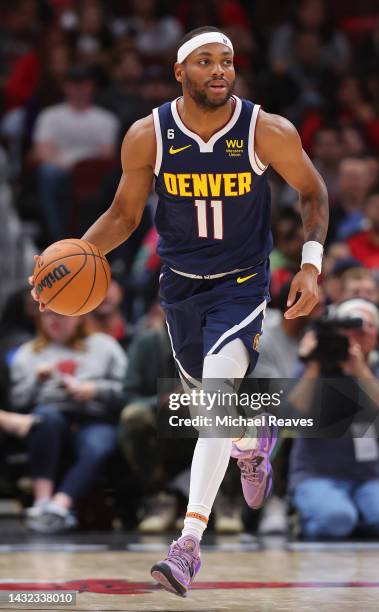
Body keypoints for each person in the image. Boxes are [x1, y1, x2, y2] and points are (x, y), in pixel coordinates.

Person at [30, 26, 329, 596]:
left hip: (241, 287)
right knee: (215, 415)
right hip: (180, 289)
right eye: (206, 62)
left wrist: (310, 264)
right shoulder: (150, 135)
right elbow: (123, 214)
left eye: (228, 61)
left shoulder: (267, 130)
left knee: (214, 400)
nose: (220, 71)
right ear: (180, 72)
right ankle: (252, 439)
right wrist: (67, 267)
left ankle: (188, 544)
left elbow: (313, 192)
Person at [288, 299, 379, 539]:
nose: (361, 333)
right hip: (316, 475)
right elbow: (290, 417)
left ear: (378, 335)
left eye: (368, 326)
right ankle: (306, 520)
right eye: (353, 326)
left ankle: (353, 517)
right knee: (337, 520)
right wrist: (313, 364)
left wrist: (361, 372)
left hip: (366, 479)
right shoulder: (314, 371)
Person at [9, 311, 127, 533]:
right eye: (47, 316)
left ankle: (59, 506)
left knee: (98, 445)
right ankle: (42, 501)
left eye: (61, 316)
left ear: (79, 316)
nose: (52, 321)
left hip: (95, 417)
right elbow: (16, 401)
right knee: (45, 418)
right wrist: (36, 380)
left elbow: (127, 389)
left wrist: (95, 389)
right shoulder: (28, 353)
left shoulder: (104, 346)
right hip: (50, 418)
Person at [33, 64, 119, 240]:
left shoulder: (106, 120)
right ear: (66, 87)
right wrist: (67, 165)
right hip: (60, 169)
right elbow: (42, 151)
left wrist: (81, 168)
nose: (79, 89)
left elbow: (107, 155)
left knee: (114, 178)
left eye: (83, 84)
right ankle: (57, 239)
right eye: (74, 84)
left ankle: (101, 242)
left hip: (92, 173)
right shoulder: (50, 116)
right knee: (48, 173)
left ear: (92, 87)